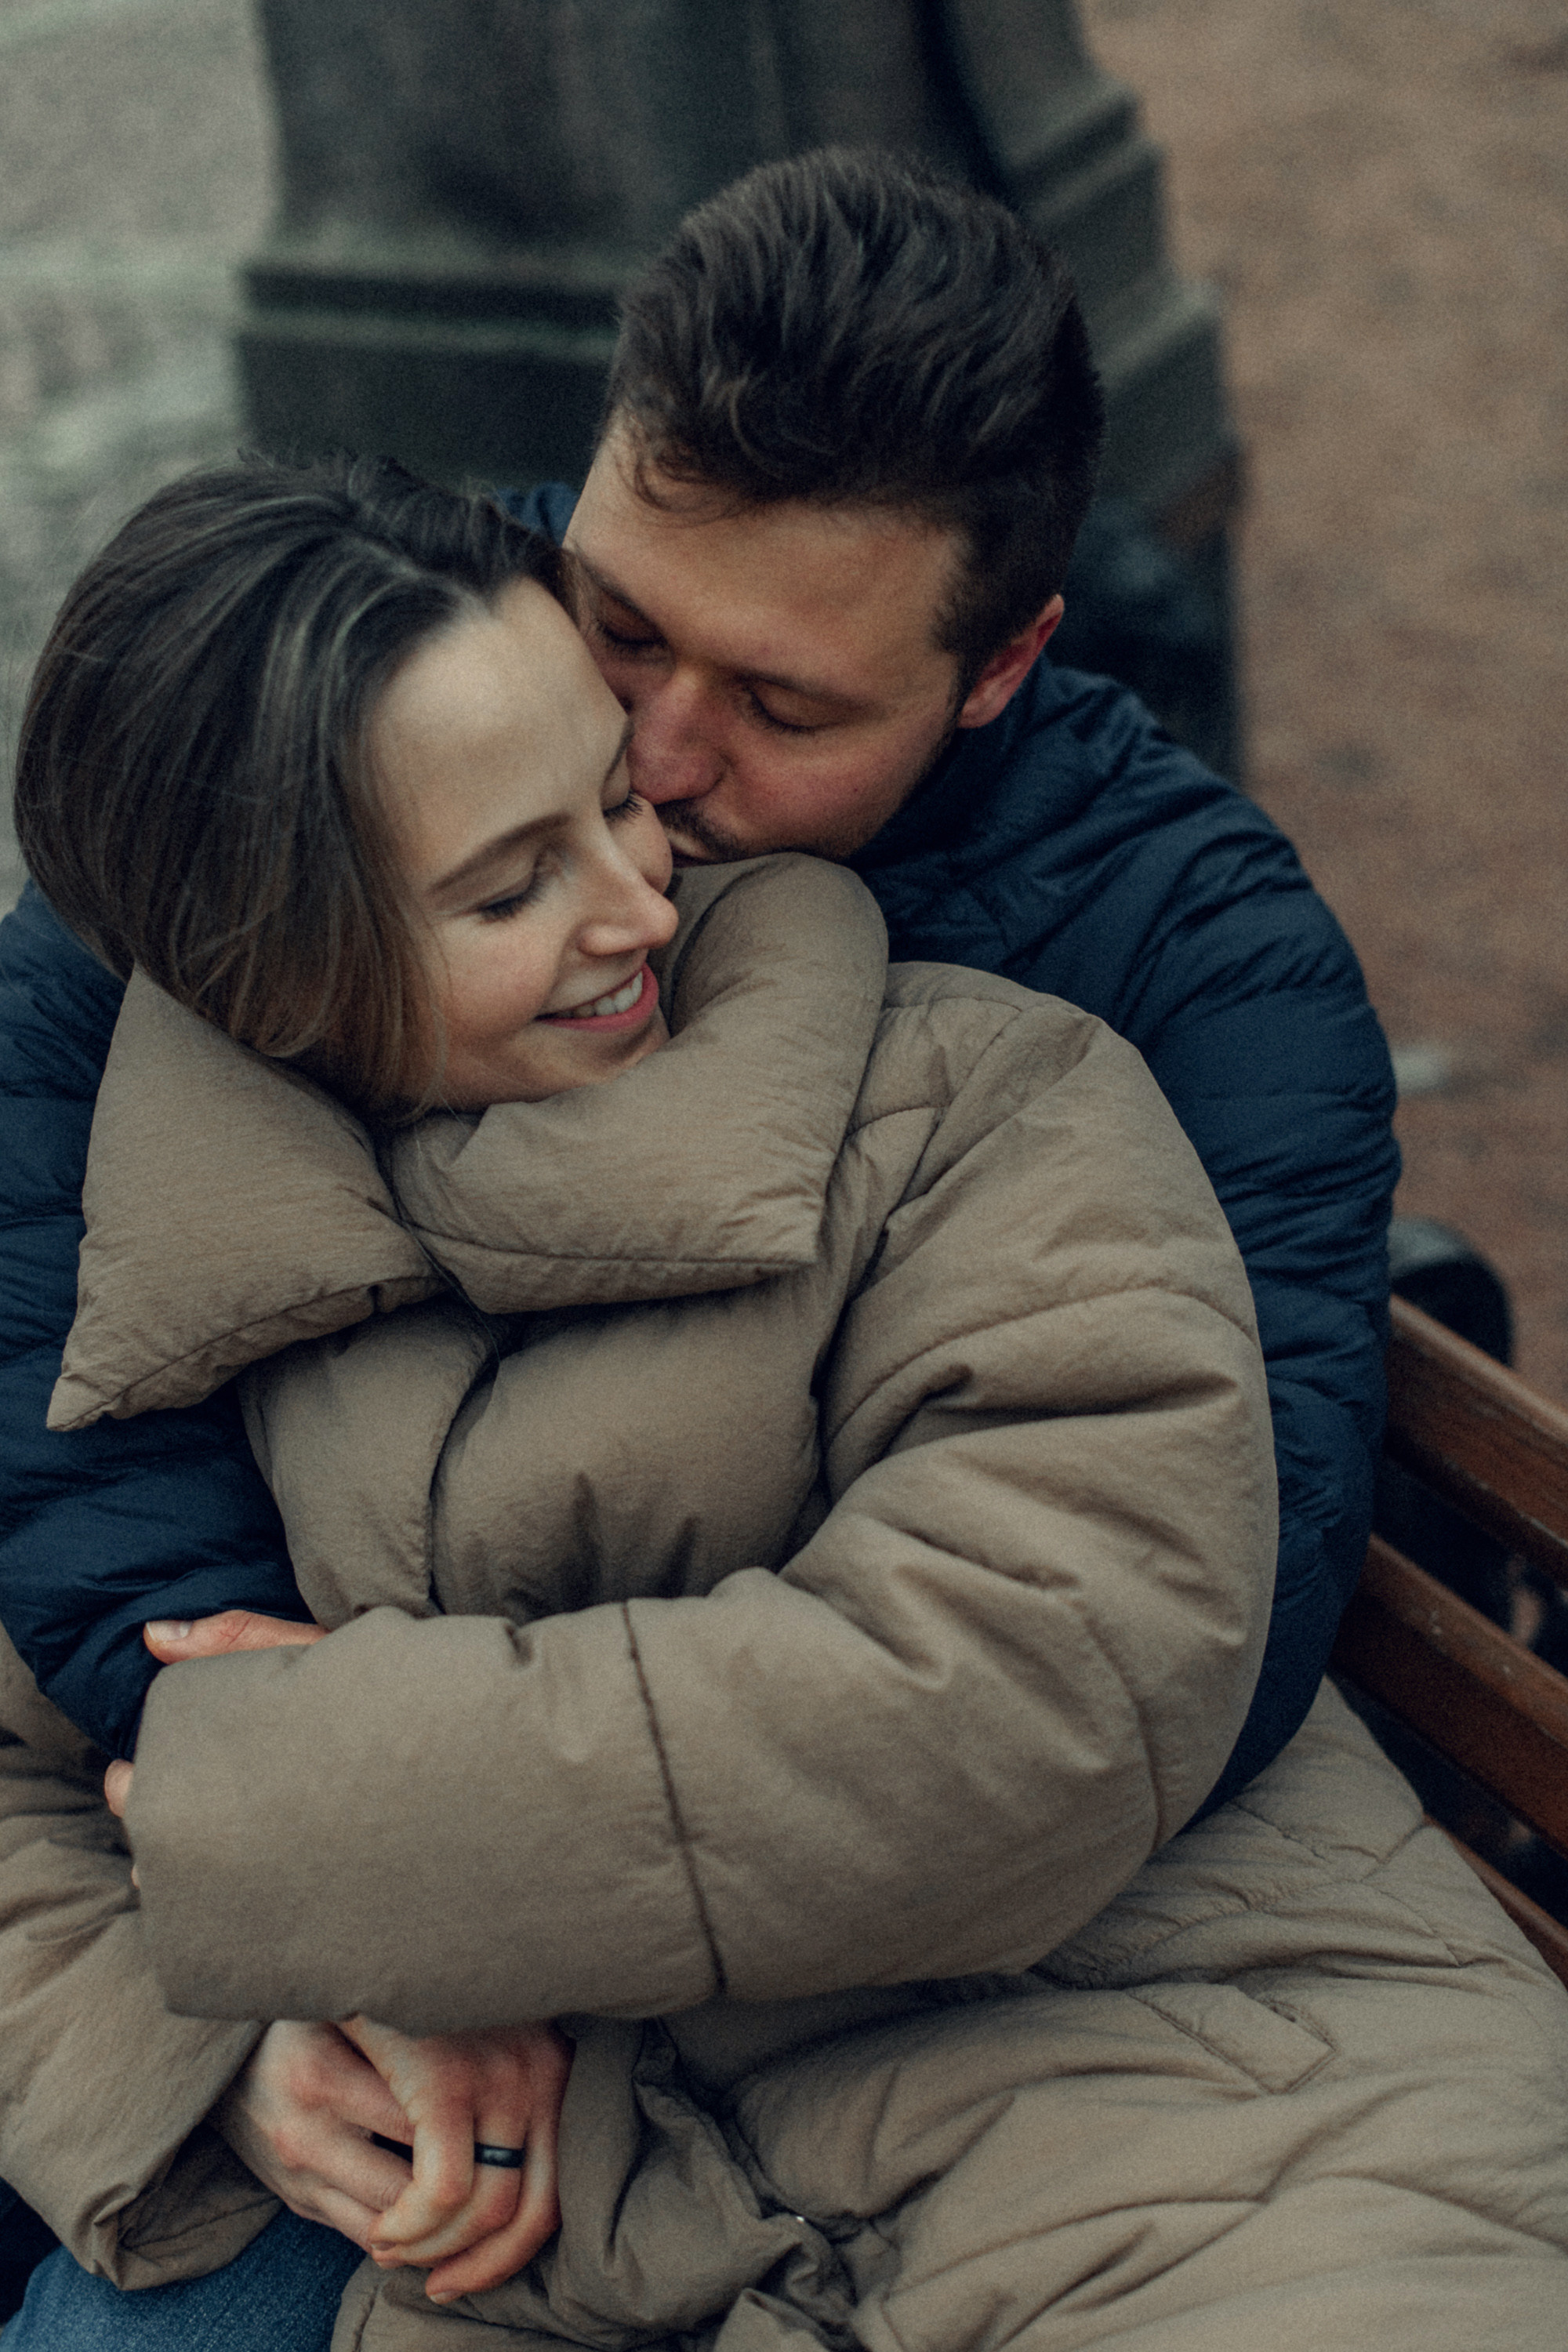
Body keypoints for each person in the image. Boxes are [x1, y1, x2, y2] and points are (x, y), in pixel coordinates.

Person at [5, 460, 1568, 2352]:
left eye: (609, 803)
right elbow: (43, 1783)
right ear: (269, 979)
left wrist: (312, 1806)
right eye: (511, 884)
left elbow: (1028, 1686)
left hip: (1206, 2092)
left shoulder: (976, 1106)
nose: (637, 902)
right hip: (605, 2218)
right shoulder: (172, 1266)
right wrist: (220, 2044)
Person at [0, 149, 1398, 1811]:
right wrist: (209, 1713)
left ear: (1001, 663)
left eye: (784, 712)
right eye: (626, 624)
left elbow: (1215, 1605)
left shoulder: (1202, 959)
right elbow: (47, 1262)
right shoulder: (401, 657)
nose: (652, 761)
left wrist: (393, 1779)